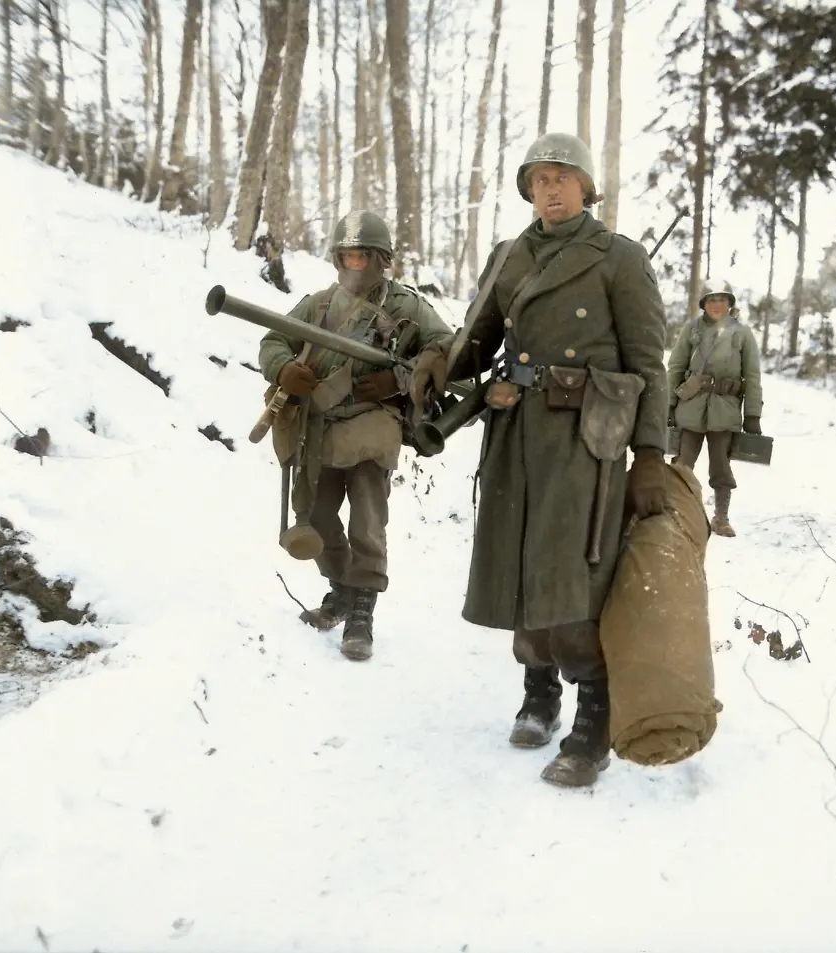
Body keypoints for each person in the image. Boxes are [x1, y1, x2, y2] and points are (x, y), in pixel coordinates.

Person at [408, 132, 670, 788]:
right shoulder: (509, 257)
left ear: (586, 186)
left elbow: (648, 364)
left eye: (562, 177)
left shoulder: (618, 258)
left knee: (575, 572)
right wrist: (436, 359)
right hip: (515, 431)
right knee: (521, 565)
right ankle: (539, 691)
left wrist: (650, 455)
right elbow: (475, 342)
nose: (549, 189)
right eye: (539, 179)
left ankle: (595, 717)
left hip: (590, 440)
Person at [258, 210, 454, 661]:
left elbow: (444, 350)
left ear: (382, 260)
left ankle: (362, 608)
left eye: (362, 257)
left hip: (373, 426)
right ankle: (342, 590)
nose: (354, 265)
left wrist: (400, 381)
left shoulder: (408, 307)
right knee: (318, 518)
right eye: (346, 256)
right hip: (320, 427)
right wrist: (285, 370)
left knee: (367, 521)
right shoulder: (319, 304)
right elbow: (274, 340)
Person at [666, 278, 763, 538]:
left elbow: (752, 376)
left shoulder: (742, 334)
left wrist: (752, 414)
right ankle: (676, 514)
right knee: (682, 464)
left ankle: (720, 518)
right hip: (690, 407)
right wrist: (668, 405)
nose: (716, 305)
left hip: (725, 410)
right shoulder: (692, 329)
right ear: (703, 304)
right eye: (711, 300)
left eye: (722, 299)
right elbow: (675, 367)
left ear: (730, 303)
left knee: (721, 467)